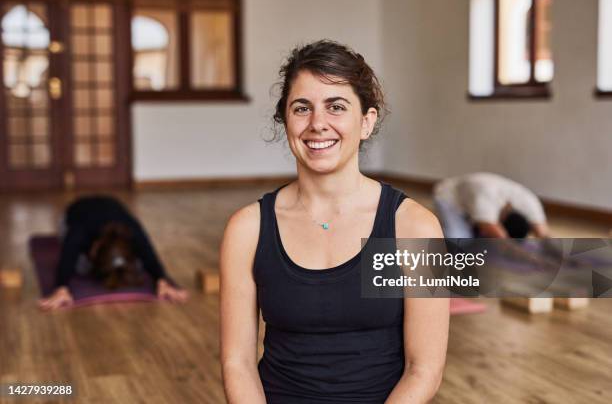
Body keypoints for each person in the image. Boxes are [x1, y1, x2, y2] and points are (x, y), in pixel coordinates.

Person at [220, 40, 449, 403]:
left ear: (367, 122)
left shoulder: (416, 227)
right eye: (301, 108)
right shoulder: (247, 229)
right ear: (285, 120)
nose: (317, 124)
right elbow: (237, 364)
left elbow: (424, 369)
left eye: (336, 107)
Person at [38, 195, 188, 310]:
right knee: (80, 267)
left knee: (139, 264)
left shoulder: (132, 230)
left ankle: (118, 263)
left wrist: (161, 280)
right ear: (95, 248)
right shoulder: (79, 232)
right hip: (75, 210)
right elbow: (66, 258)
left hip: (113, 206)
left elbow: (149, 253)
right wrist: (61, 287)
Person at [433, 172, 550, 239]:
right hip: (449, 197)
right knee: (460, 240)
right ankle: (435, 220)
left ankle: (476, 226)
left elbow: (544, 234)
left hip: (474, 201)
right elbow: (502, 240)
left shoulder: (531, 203)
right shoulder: (485, 199)